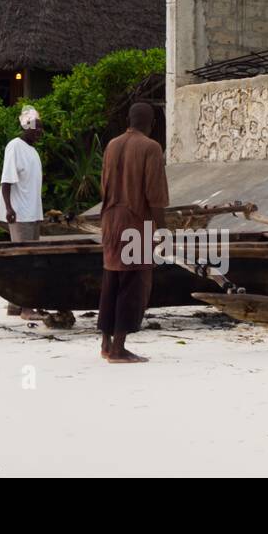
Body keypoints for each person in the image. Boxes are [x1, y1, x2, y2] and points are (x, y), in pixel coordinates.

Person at [98, 101, 170, 363]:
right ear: (152, 123)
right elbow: (155, 195)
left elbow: (104, 186)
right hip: (135, 223)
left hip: (109, 220)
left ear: (128, 120)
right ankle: (119, 349)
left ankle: (106, 344)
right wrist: (163, 231)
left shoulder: (112, 145)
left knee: (111, 281)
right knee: (133, 285)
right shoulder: (151, 147)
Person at [0, 105, 45, 319]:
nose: (40, 131)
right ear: (26, 127)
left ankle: (15, 305)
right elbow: (6, 180)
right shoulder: (15, 146)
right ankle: (26, 308)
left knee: (29, 260)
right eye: (36, 127)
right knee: (25, 261)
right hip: (20, 214)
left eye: (41, 128)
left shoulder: (33, 151)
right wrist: (8, 207)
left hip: (33, 213)